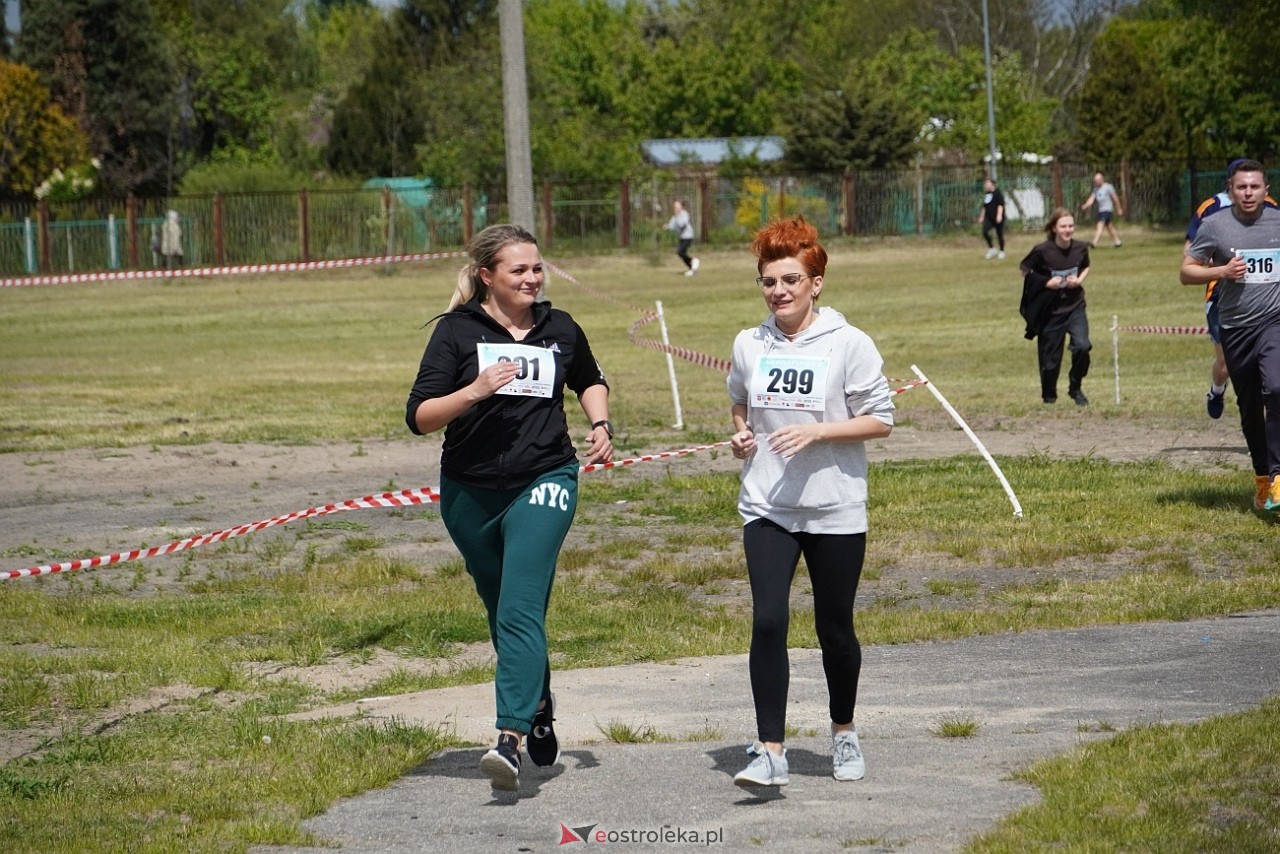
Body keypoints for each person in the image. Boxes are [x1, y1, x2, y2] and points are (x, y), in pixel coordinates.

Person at [405, 223, 614, 791]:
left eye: (537, 268)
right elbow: (419, 417)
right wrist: (476, 389)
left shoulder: (560, 328)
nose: (532, 278)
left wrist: (599, 421)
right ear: (487, 276)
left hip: (546, 479)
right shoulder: (456, 333)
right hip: (469, 491)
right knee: (503, 609)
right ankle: (538, 702)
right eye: (518, 270)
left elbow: (590, 378)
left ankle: (508, 738)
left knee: (521, 604)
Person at [726, 215, 894, 788]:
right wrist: (741, 434)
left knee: (835, 629)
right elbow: (739, 403)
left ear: (815, 283)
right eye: (769, 281)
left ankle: (843, 732)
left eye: (791, 280)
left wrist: (818, 431)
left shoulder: (850, 343)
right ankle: (770, 749)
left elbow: (882, 420)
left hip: (834, 507)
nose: (780, 291)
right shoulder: (749, 343)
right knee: (769, 621)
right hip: (768, 505)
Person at [1182, 159, 1280, 511]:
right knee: (1251, 406)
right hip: (1236, 327)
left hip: (1274, 322)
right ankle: (1262, 477)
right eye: (1242, 187)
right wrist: (1221, 270)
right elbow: (1186, 271)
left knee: (1277, 387)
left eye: (1255, 186)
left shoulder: (1277, 221)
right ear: (1231, 189)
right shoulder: (1215, 225)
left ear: (1266, 189)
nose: (1249, 192)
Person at [1018, 207, 1092, 405]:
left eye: (1071, 226)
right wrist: (1045, 282)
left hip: (1075, 306)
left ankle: (1075, 388)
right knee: (1050, 361)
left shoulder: (1080, 248)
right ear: (1053, 228)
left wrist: (1079, 280)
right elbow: (1025, 270)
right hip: (1051, 311)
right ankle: (1049, 397)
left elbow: (1085, 265)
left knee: (1082, 346)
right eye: (1063, 226)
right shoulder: (1042, 251)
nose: (1068, 230)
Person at [1080, 171, 1123, 248]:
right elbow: (1092, 199)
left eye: (1097, 180)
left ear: (1101, 179)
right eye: (1095, 181)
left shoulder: (1108, 187)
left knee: (1100, 225)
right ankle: (1117, 242)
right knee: (1109, 226)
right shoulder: (1096, 189)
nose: (1096, 182)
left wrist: (1119, 208)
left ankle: (1094, 242)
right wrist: (1086, 205)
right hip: (1101, 210)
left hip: (1107, 210)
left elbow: (1115, 198)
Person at [664, 199, 700, 276]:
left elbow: (682, 224)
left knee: (680, 252)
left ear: (681, 207)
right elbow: (671, 226)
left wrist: (677, 217)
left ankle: (693, 261)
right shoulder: (675, 216)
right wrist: (667, 227)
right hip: (682, 237)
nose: (675, 208)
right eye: (675, 207)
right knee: (681, 253)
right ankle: (692, 269)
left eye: (677, 207)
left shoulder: (684, 214)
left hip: (688, 236)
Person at [978, 177, 1006, 259]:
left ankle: (1002, 251)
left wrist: (999, 215)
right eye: (985, 184)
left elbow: (1000, 205)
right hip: (989, 218)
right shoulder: (987, 194)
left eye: (987, 183)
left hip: (997, 217)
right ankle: (992, 248)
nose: (986, 185)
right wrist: (982, 216)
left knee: (999, 234)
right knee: (985, 231)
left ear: (992, 184)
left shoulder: (998, 193)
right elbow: (984, 206)